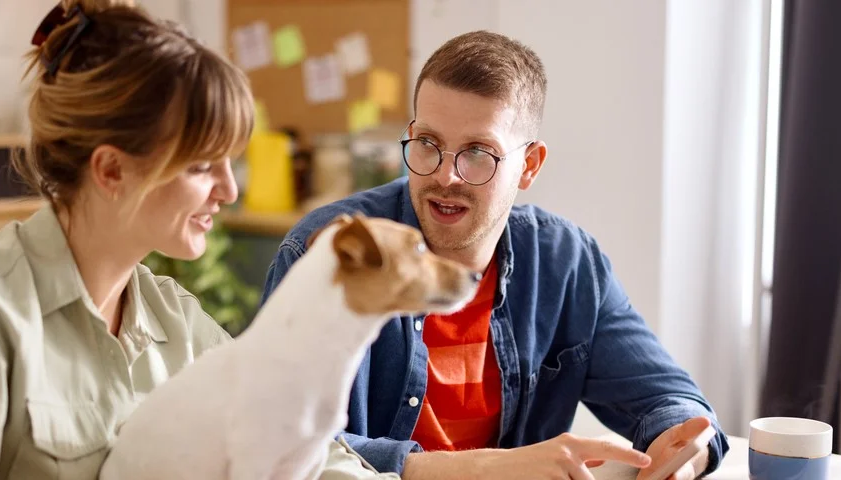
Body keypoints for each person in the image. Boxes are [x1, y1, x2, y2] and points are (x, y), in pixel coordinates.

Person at [0, 2, 394, 478]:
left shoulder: (176, 320)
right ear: (112, 170)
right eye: (202, 166)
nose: (228, 191)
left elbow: (296, 438)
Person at [260, 31, 730, 480]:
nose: (445, 176)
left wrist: (685, 446)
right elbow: (279, 448)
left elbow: (672, 401)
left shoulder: (565, 262)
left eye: (477, 153)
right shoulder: (328, 254)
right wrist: (482, 470)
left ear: (529, 166)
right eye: (428, 144)